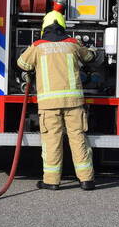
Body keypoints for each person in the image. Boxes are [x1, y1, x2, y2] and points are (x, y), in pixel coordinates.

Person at [17, 10, 96, 191]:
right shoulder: (72, 44)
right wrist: (91, 49)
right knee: (78, 139)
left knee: (52, 140)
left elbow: (22, 64)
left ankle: (51, 181)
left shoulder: (38, 46)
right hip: (73, 103)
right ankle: (86, 180)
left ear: (44, 27)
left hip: (49, 105)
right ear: (63, 26)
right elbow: (90, 58)